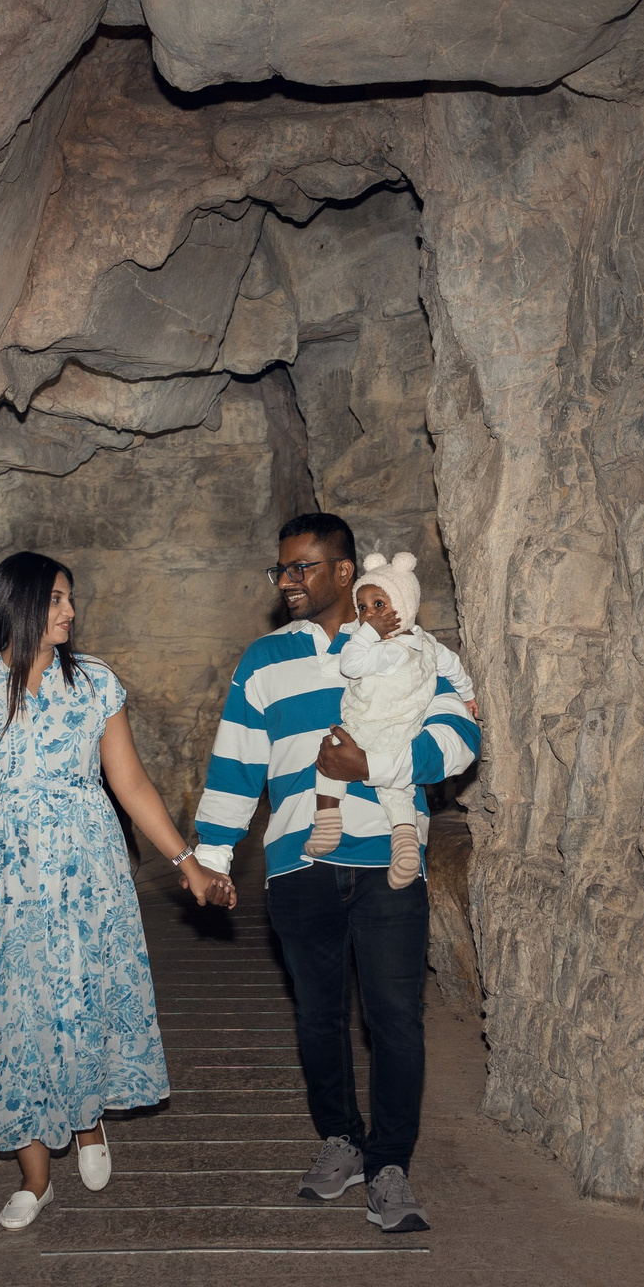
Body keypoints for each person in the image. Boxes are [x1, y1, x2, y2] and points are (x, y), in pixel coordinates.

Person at [0, 551, 236, 1230]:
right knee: (13, 1015)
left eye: (70, 598)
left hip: (85, 873)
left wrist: (187, 861)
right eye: (57, 597)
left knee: (78, 995)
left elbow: (132, 783)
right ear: (22, 602)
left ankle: (88, 1125)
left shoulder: (93, 684)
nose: (69, 610)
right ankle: (34, 1177)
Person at [192, 513, 480, 1233]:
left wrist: (377, 767)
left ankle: (390, 1164)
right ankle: (341, 1140)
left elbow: (460, 738)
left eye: (302, 567)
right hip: (299, 861)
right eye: (281, 569)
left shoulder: (416, 649)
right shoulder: (263, 660)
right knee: (318, 1017)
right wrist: (214, 858)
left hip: (389, 857)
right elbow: (235, 765)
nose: (287, 581)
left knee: (394, 1019)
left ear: (346, 572)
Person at [300, 551, 454, 888]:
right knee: (367, 776)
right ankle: (367, 833)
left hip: (379, 727)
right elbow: (452, 664)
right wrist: (468, 692)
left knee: (359, 772)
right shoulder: (426, 644)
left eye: (379, 605)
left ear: (404, 604)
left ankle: (353, 828)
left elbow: (350, 665)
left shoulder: (377, 647)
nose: (369, 615)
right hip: (379, 729)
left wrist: (365, 633)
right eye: (363, 609)